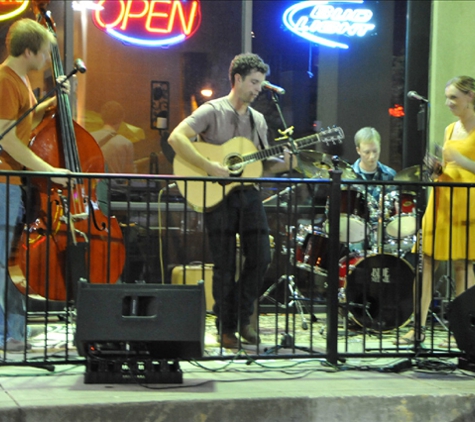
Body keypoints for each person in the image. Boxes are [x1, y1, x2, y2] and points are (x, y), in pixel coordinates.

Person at [168, 53, 292, 348]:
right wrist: (209, 166)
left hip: (249, 194)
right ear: (236, 79)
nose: (258, 88)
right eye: (253, 82)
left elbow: (258, 165)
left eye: (261, 83)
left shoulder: (258, 119)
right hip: (217, 196)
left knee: (262, 255)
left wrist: (285, 163)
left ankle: (240, 315)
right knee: (223, 265)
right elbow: (176, 138)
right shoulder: (212, 110)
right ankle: (227, 328)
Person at [0, 19, 70, 352]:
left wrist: (48, 103)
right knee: (2, 263)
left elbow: (20, 124)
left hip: (11, 183)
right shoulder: (4, 80)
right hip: (3, 183)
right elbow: (7, 140)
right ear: (28, 51)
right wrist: (50, 170)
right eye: (44, 52)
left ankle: (13, 333)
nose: (46, 59)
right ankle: (4, 334)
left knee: (9, 262)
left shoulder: (19, 82)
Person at [397, 76, 475, 346]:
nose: (448, 103)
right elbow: (446, 167)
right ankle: (416, 327)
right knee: (427, 263)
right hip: (441, 201)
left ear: (470, 96)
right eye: (447, 97)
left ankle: (462, 332)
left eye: (453, 97)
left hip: (466, 204)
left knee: (462, 266)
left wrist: (461, 160)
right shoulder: (451, 129)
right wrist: (437, 169)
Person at [351, 127, 397, 201]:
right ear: (358, 150)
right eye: (367, 152)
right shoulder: (348, 176)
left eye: (375, 151)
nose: (372, 156)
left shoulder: (390, 175)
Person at [91, 101, 136, 174]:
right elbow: (129, 172)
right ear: (121, 118)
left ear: (102, 117)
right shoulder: (126, 144)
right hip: (115, 184)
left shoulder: (90, 137)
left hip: (92, 184)